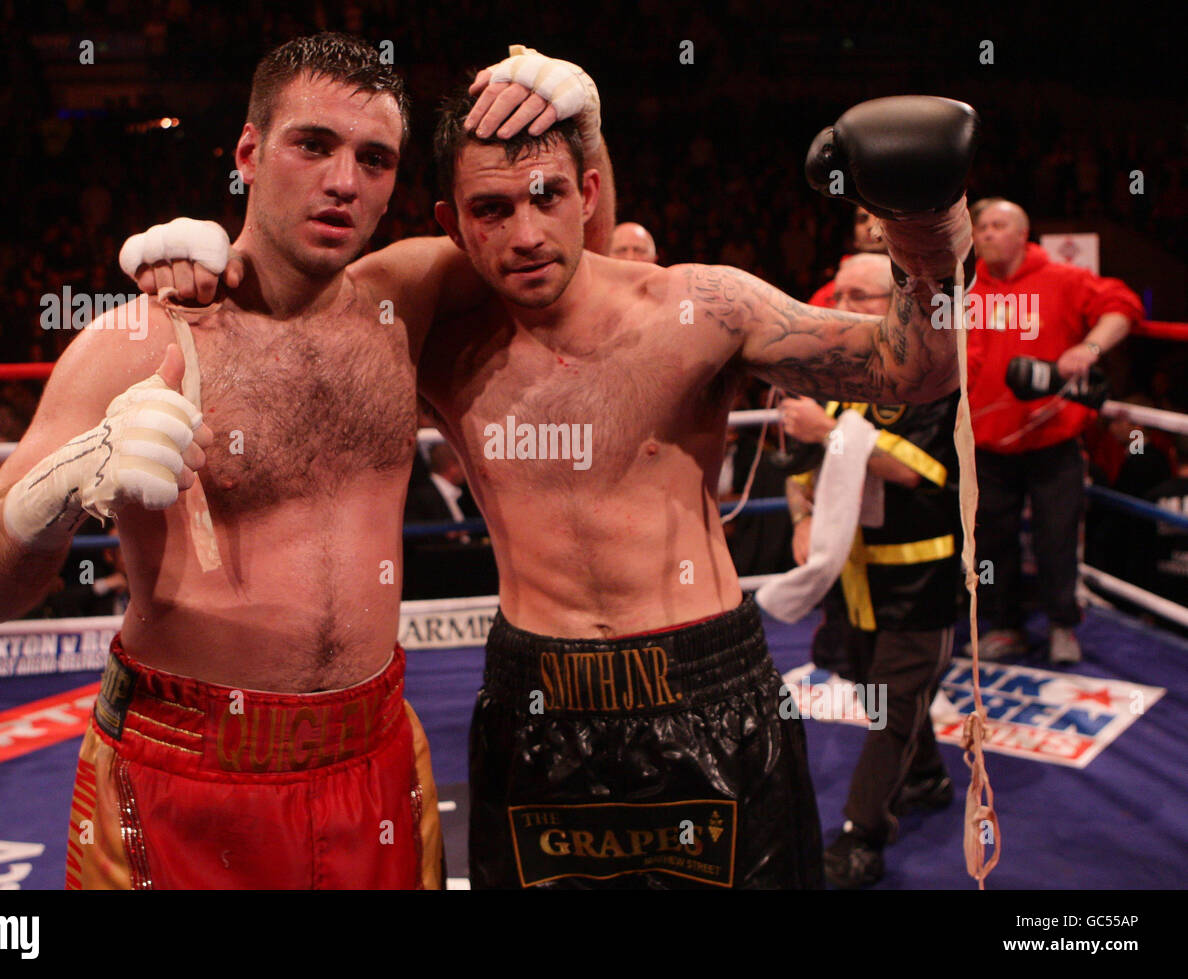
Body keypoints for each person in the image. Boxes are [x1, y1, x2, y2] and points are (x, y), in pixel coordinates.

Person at [130, 71, 977, 888]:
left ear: (591, 191)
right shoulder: (427, 333)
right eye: (492, 210)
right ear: (451, 223)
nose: (527, 233)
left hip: (711, 688)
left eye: (548, 197)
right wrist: (203, 260)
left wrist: (928, 228)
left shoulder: (701, 308)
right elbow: (287, 305)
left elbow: (915, 370)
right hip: (535, 709)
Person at [0, 34, 584, 891]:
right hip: (180, 774)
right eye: (312, 145)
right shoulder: (141, 337)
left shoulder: (412, 297)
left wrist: (585, 124)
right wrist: (63, 486)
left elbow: (576, 273)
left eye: (375, 158)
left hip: (375, 754)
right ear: (247, 152)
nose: (345, 181)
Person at [779, 253, 959, 888]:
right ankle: (929, 776)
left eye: (861, 297)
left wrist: (826, 429)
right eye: (840, 295)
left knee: (891, 709)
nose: (845, 307)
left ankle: (863, 834)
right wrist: (802, 517)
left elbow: (916, 469)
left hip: (920, 581)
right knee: (872, 683)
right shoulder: (830, 372)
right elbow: (801, 469)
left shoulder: (933, 372)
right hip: (851, 575)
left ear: (895, 304)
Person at [966, 197, 1143, 663]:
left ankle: (1063, 623)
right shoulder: (964, 290)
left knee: (1057, 537)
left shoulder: (1062, 279)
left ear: (1022, 234)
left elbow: (1124, 306)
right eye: (980, 226)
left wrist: (1088, 347)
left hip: (1053, 440)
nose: (986, 233)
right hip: (986, 445)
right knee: (991, 542)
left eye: (998, 225)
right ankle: (1004, 626)